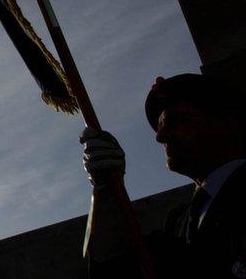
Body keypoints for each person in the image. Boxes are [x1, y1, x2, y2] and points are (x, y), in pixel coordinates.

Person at [81, 73, 245, 278]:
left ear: (226, 123)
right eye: (159, 127)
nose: (160, 136)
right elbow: (113, 269)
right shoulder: (177, 224)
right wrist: (105, 189)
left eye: (177, 121)